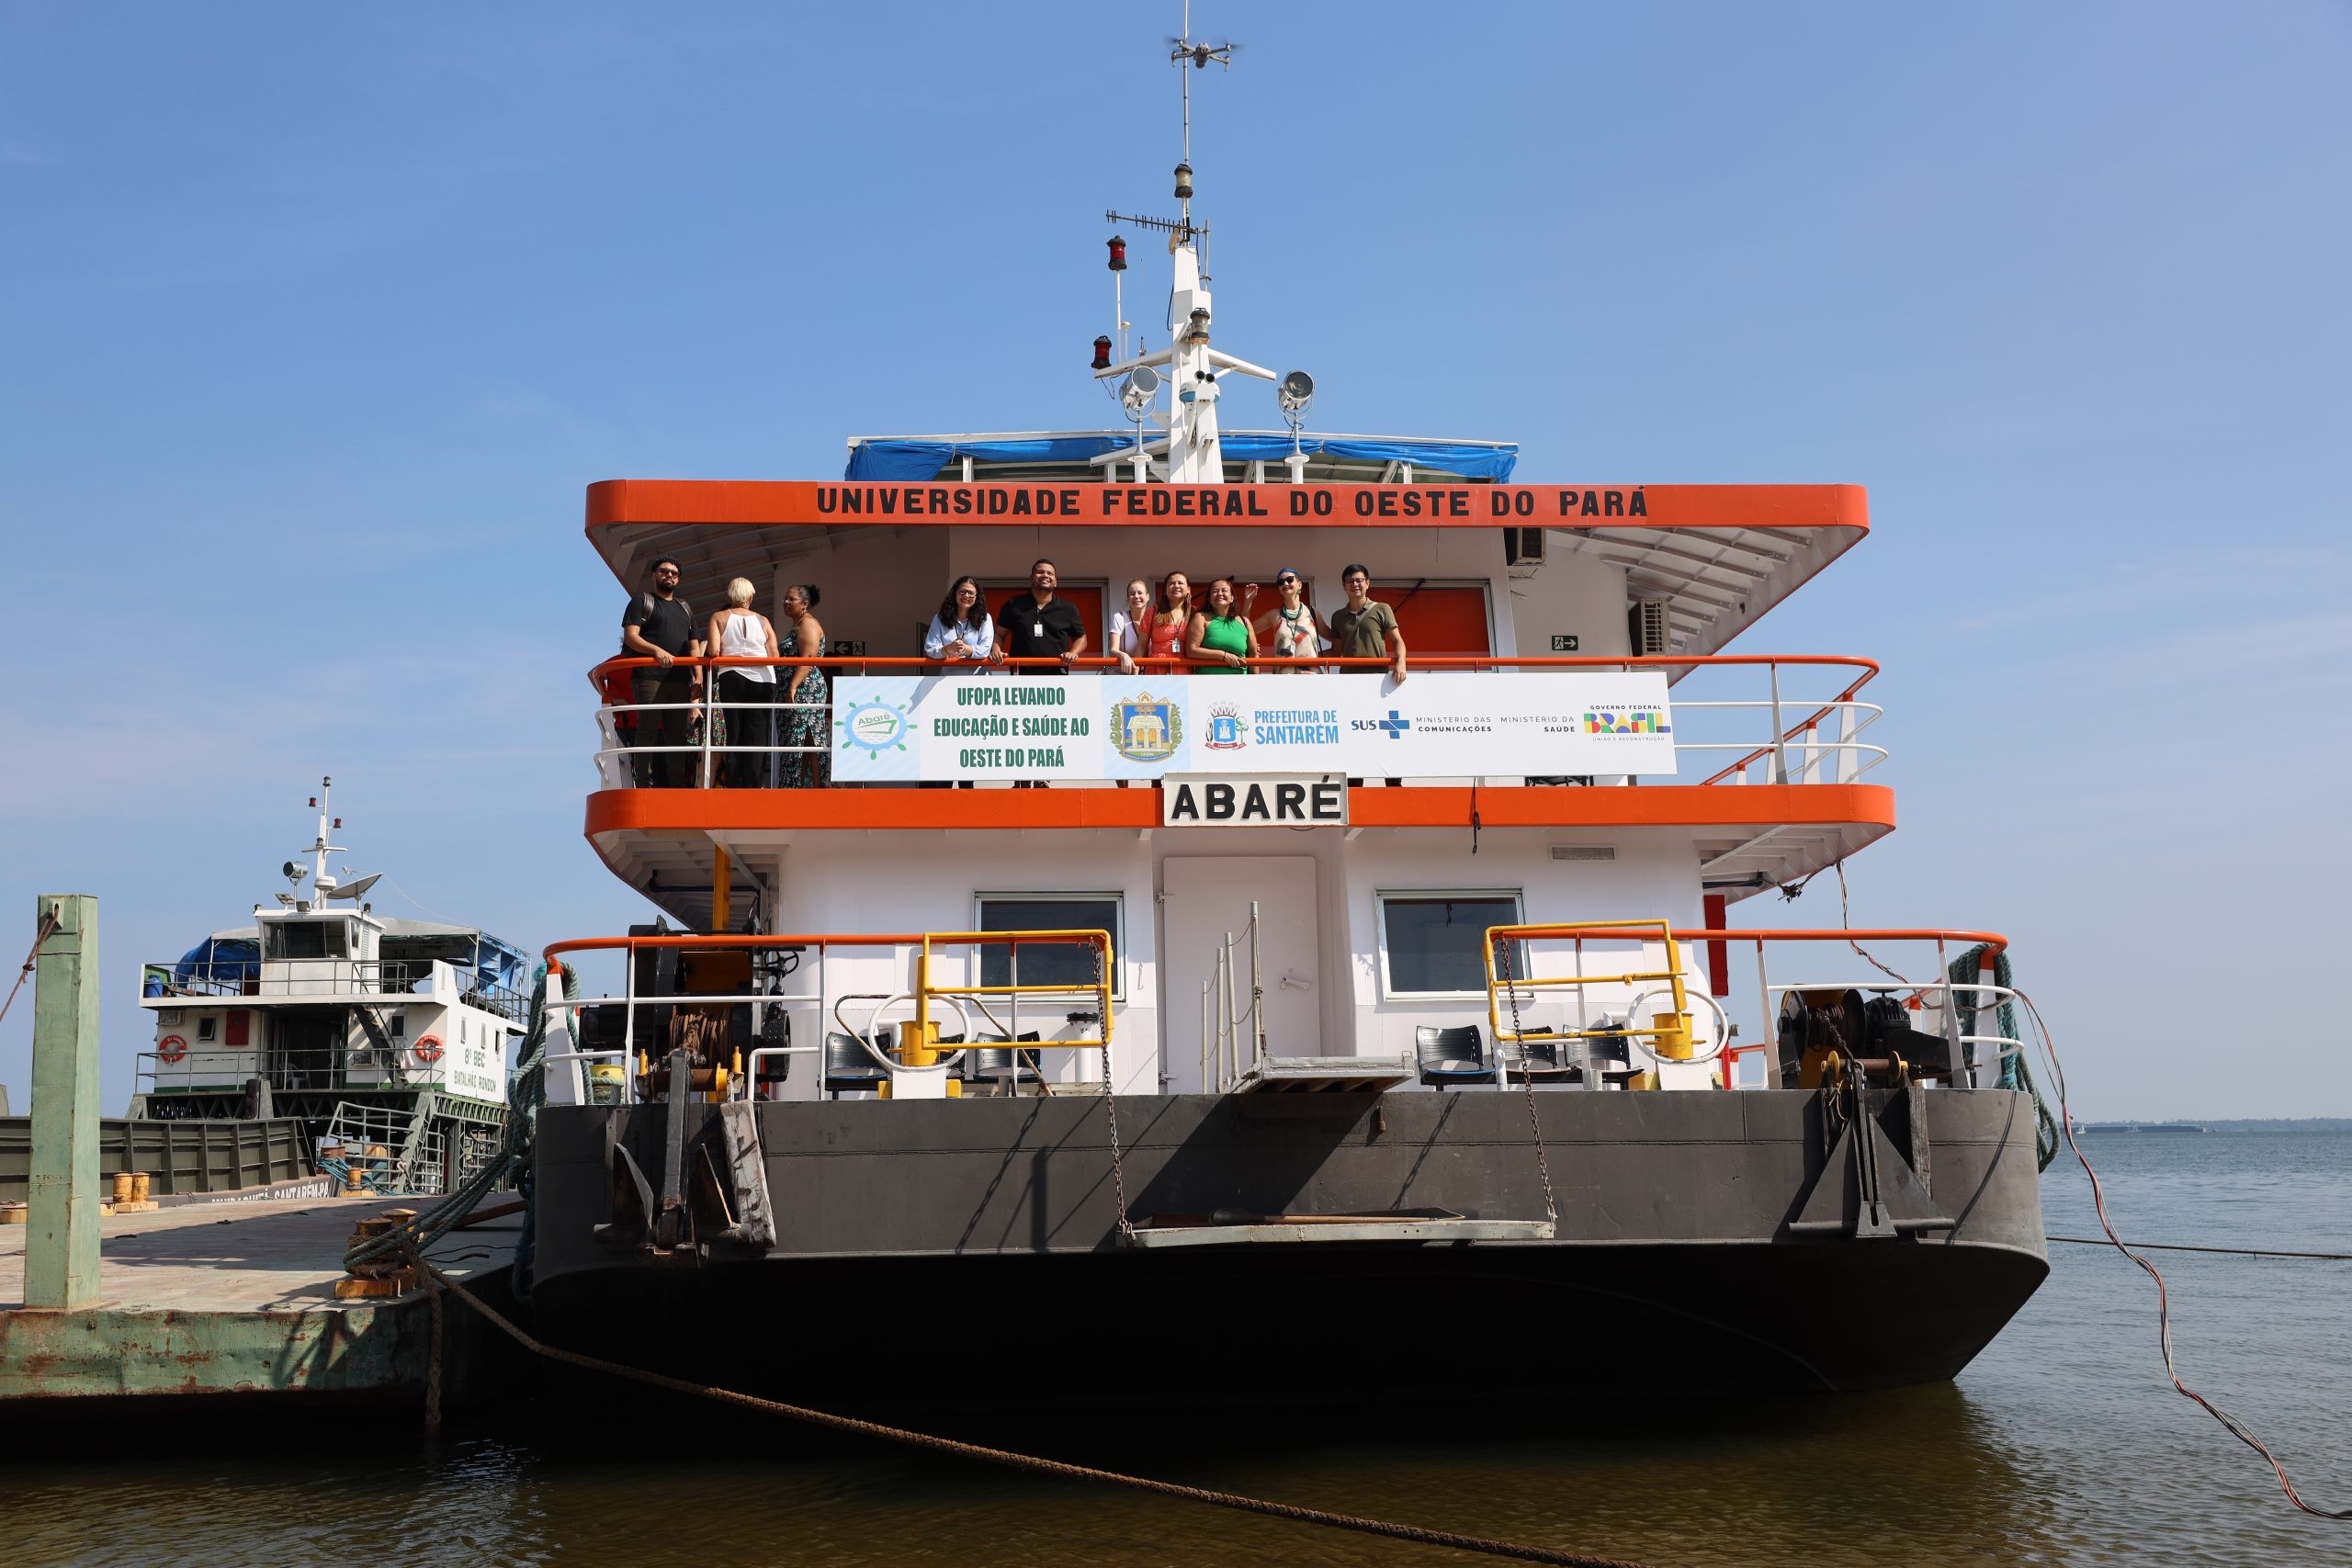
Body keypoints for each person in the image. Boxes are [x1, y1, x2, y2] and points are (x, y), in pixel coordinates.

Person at [620, 556, 704, 787]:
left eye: (674, 574)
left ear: (679, 579)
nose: (669, 576)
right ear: (654, 575)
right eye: (664, 571)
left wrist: (698, 676)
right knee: (647, 730)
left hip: (680, 679)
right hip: (649, 677)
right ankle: (643, 783)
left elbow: (694, 645)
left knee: (676, 735)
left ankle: (677, 785)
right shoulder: (642, 601)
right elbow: (631, 636)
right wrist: (656, 650)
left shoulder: (684, 607)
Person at [706, 578, 779, 789]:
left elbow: (714, 651)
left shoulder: (719, 617)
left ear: (730, 596)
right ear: (751, 597)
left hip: (732, 676)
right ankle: (753, 785)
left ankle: (735, 785)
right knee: (758, 734)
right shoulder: (763, 620)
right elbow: (774, 655)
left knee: (734, 731)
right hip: (763, 679)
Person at [777, 583, 830, 787]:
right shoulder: (798, 624)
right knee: (798, 740)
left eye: (791, 599)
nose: (786, 602)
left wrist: (792, 686)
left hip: (805, 689)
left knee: (807, 738)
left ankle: (813, 789)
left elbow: (808, 658)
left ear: (804, 604)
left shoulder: (808, 624)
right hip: (798, 688)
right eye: (785, 598)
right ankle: (799, 787)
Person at [1329, 563, 1408, 685]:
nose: (1355, 584)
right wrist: (1305, 656)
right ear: (1344, 586)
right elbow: (1336, 652)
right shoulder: (1337, 616)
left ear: (1367, 583)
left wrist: (1401, 662)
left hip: (1378, 678)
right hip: (1348, 680)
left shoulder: (1382, 609)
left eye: (1359, 580)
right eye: (1349, 581)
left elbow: (1397, 641)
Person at [1252, 567, 1327, 671]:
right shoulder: (1274, 615)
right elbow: (1244, 631)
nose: (1285, 584)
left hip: (1311, 676)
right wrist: (1248, 601)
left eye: (1290, 580)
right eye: (1281, 582)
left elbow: (1335, 639)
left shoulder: (1312, 612)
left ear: (1299, 585)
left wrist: (1313, 657)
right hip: (1284, 676)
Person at [1186, 577, 1258, 672]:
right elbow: (1191, 651)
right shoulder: (1200, 618)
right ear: (1209, 599)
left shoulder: (1244, 622)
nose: (1220, 593)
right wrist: (1223, 655)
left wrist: (1256, 679)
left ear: (1232, 598)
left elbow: (1253, 655)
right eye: (1215, 591)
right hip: (1209, 680)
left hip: (1240, 680)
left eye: (1224, 590)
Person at [923, 576, 994, 662]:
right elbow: (930, 649)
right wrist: (948, 649)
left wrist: (965, 648)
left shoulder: (985, 618)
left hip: (978, 671)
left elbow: (985, 650)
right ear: (955, 593)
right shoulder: (940, 618)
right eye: (962, 592)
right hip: (949, 671)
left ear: (977, 597)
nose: (966, 596)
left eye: (971, 593)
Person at [1105, 577, 1152, 674]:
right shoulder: (1119, 618)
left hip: (1146, 675)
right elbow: (1113, 650)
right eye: (1132, 594)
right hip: (1120, 674)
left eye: (1140, 593)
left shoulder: (1155, 620)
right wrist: (1123, 655)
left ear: (1148, 597)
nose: (1136, 596)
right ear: (1128, 599)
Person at [1148, 570, 1194, 661]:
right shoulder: (1153, 611)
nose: (1176, 586)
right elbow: (1142, 646)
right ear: (1165, 590)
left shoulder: (1195, 614)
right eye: (1172, 583)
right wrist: (1136, 669)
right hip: (1157, 665)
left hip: (1184, 666)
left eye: (1180, 583)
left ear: (1188, 589)